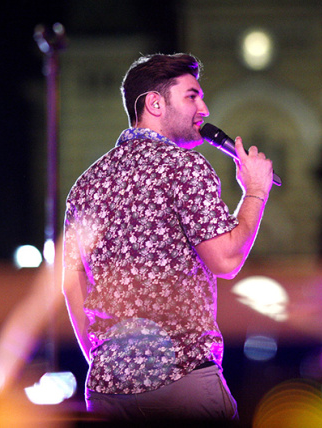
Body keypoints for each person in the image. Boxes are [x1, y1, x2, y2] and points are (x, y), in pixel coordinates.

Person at [61, 53, 274, 423]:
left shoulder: (86, 185)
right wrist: (255, 192)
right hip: (181, 380)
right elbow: (225, 260)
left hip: (108, 388)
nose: (204, 109)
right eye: (192, 96)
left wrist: (102, 359)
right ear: (155, 104)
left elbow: (71, 282)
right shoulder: (184, 167)